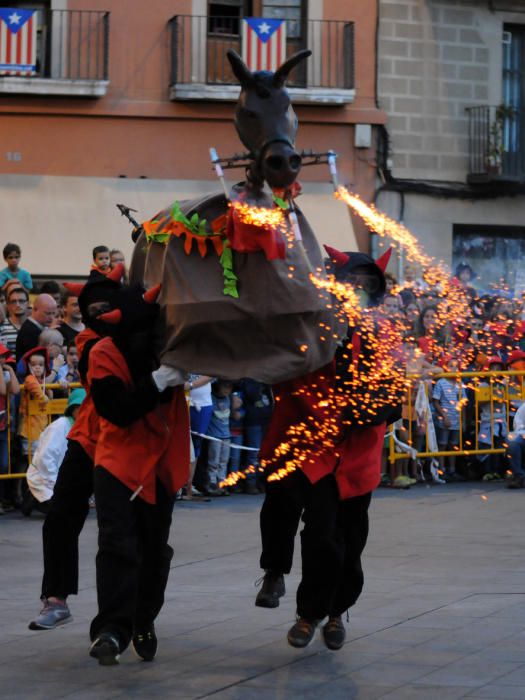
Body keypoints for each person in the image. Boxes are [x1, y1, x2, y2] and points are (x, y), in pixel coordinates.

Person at [256, 246, 403, 651]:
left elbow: (393, 399)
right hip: (314, 448)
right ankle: (308, 613)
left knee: (350, 540)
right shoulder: (310, 329)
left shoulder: (382, 336)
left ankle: (337, 611)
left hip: (358, 456)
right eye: (351, 282)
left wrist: (362, 410)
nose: (357, 290)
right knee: (318, 530)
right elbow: (282, 373)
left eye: (366, 285)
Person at [87, 280, 190, 666]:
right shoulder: (104, 353)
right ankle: (112, 629)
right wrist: (160, 379)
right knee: (117, 545)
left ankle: (143, 618)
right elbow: (117, 409)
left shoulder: (175, 348)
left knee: (153, 551)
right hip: (119, 463)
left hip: (162, 465)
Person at [28, 266, 125, 633]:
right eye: (91, 309)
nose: (97, 314)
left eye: (104, 307)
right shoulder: (88, 340)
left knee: (118, 532)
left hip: (126, 443)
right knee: (61, 515)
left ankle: (123, 615)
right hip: (88, 437)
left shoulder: (141, 337)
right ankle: (56, 598)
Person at [23, 388, 87, 516]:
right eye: (79, 408)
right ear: (72, 409)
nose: (82, 412)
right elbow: (45, 458)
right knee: (61, 511)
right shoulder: (60, 426)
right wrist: (55, 484)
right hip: (45, 476)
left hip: (63, 477)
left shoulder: (81, 428)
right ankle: (33, 498)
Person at [432, 356, 467, 481]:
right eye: (451, 365)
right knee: (443, 444)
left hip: (456, 419)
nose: (454, 368)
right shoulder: (441, 382)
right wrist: (444, 416)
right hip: (445, 419)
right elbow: (436, 402)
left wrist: (463, 420)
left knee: (454, 445)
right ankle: (442, 469)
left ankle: (452, 470)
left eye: (456, 366)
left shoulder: (460, 383)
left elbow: (463, 402)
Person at [205, 378, 236, 496]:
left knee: (224, 461)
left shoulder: (228, 399)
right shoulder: (212, 398)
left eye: (229, 388)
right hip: (215, 436)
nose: (227, 390)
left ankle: (221, 482)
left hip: (226, 435)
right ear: (219, 386)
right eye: (225, 387)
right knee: (214, 461)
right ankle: (211, 483)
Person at [0, 343, 20, 513]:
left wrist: (10, 370)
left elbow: (14, 389)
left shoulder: (5, 373)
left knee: (4, 464)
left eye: (3, 356)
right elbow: (1, 390)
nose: (2, 360)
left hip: (2, 425)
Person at [15, 293, 57, 362]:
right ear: (35, 309)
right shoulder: (30, 331)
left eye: (53, 313)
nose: (52, 318)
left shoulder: (35, 327)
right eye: (47, 313)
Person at [0, 286, 29, 354]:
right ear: (8, 305)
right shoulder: (1, 327)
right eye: (13, 301)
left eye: (21, 301)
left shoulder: (34, 325)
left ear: (27, 303)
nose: (18, 305)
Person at [506, 402, 525, 489]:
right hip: (523, 435)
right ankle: (519, 476)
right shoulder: (523, 408)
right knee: (513, 442)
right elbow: (518, 429)